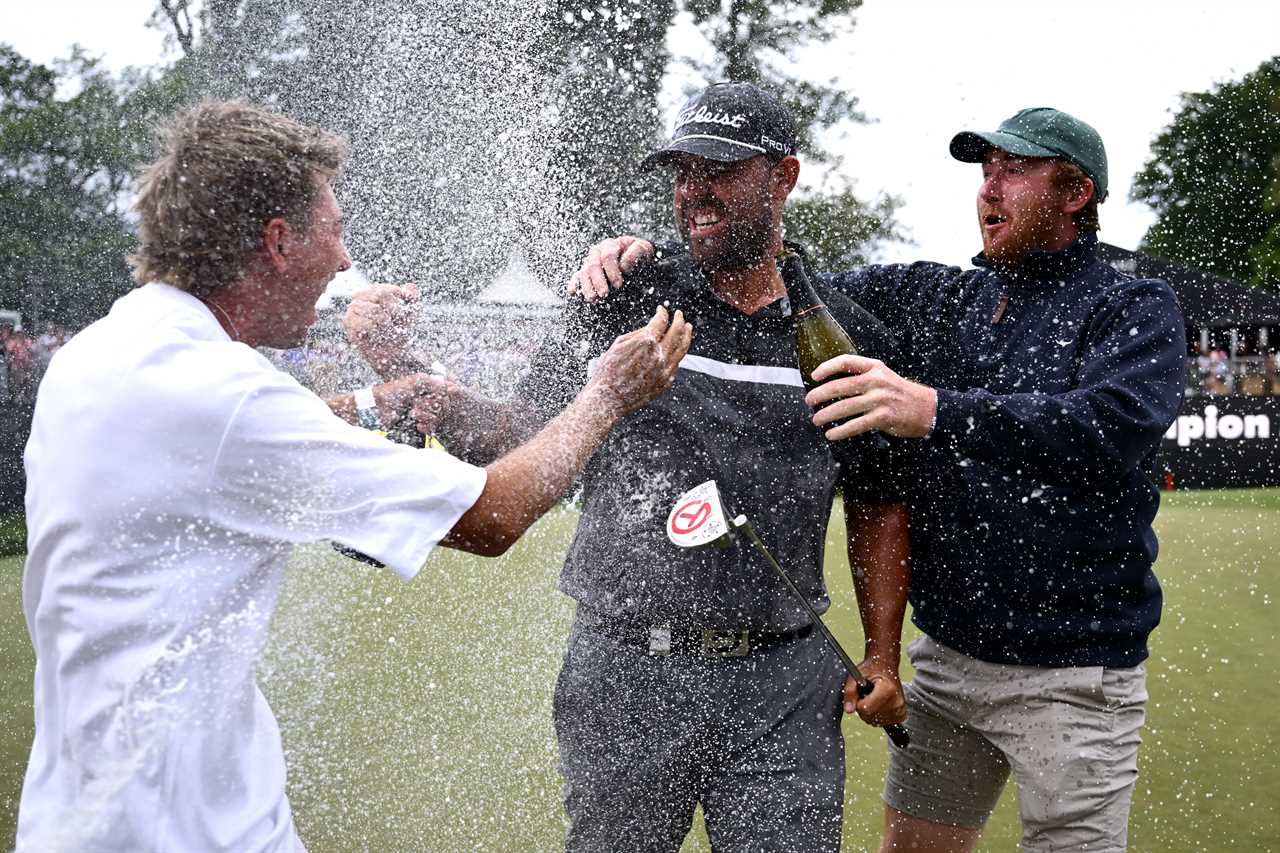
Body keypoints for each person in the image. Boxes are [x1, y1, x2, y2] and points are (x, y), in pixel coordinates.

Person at [17, 100, 691, 853]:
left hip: (78, 814)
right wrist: (608, 393)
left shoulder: (110, 350)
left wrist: (383, 387)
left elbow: (255, 443)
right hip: (185, 827)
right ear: (277, 241)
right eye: (334, 232)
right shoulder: (223, 392)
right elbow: (492, 515)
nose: (343, 262)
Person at [577, 106, 1186, 852]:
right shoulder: (942, 297)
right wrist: (651, 254)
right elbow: (770, 275)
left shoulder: (1132, 305)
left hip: (1074, 676)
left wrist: (932, 408)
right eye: (985, 171)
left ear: (1075, 193)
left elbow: (1112, 425)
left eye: (1014, 171)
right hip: (947, 666)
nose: (990, 189)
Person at [345, 82, 910, 852]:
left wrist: (880, 651)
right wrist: (416, 379)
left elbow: (879, 503)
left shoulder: (843, 334)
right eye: (681, 171)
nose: (694, 192)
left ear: (784, 177)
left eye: (720, 170)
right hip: (624, 672)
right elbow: (516, 435)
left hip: (784, 681)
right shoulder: (624, 294)